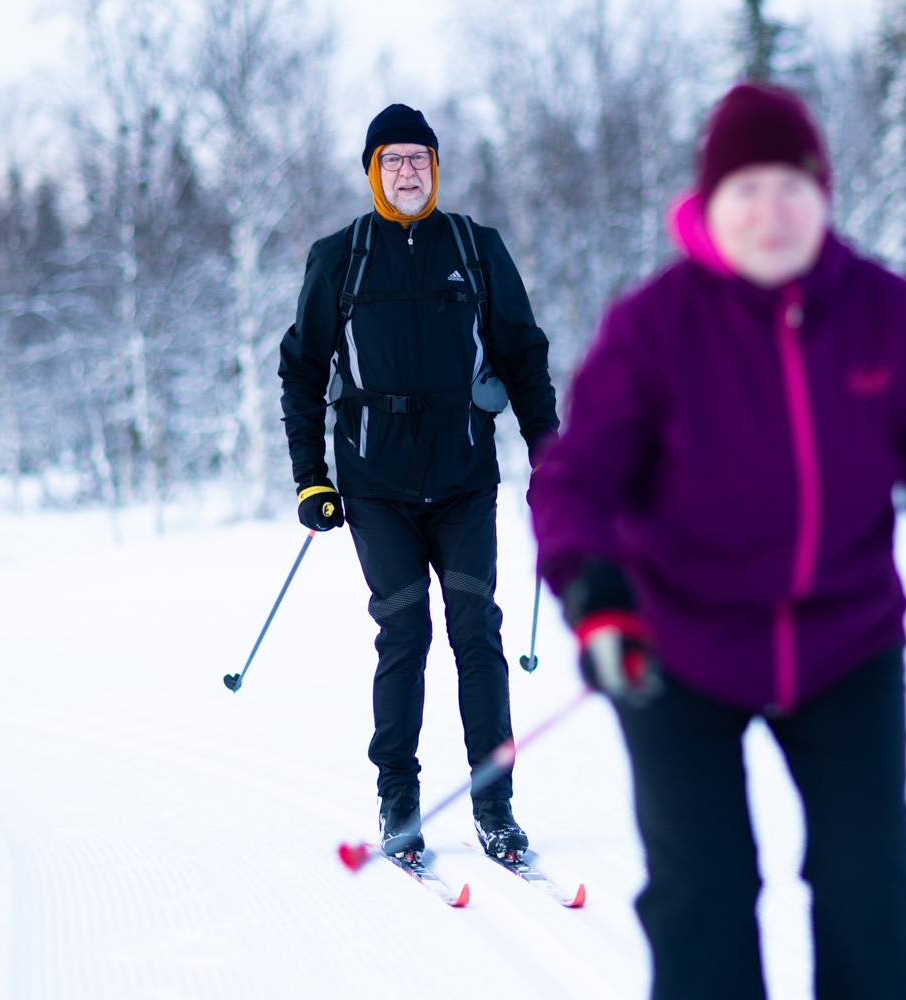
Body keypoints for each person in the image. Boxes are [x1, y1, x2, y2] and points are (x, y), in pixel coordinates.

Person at [529, 83, 906, 999]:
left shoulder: (886, 314)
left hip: (846, 642)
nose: (770, 210)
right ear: (708, 207)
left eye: (790, 185)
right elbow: (575, 476)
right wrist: (593, 592)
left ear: (824, 194)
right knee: (702, 892)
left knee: (874, 890)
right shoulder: (655, 327)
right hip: (678, 645)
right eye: (744, 189)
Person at [279, 103, 559, 860]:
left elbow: (523, 356)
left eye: (421, 159)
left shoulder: (475, 246)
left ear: (436, 168)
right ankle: (398, 798)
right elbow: (302, 370)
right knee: (404, 635)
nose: (409, 172)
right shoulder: (340, 257)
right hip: (376, 486)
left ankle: (494, 803)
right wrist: (312, 477)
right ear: (374, 170)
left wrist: (550, 453)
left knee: (477, 633)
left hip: (466, 476)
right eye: (395, 160)